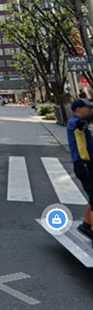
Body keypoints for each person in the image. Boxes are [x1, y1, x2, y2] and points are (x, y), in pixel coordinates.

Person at [67, 99, 93, 244]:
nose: (88, 111)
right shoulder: (74, 123)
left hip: (88, 163)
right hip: (82, 164)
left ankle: (86, 225)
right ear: (78, 110)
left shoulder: (80, 122)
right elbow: (80, 126)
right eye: (86, 108)